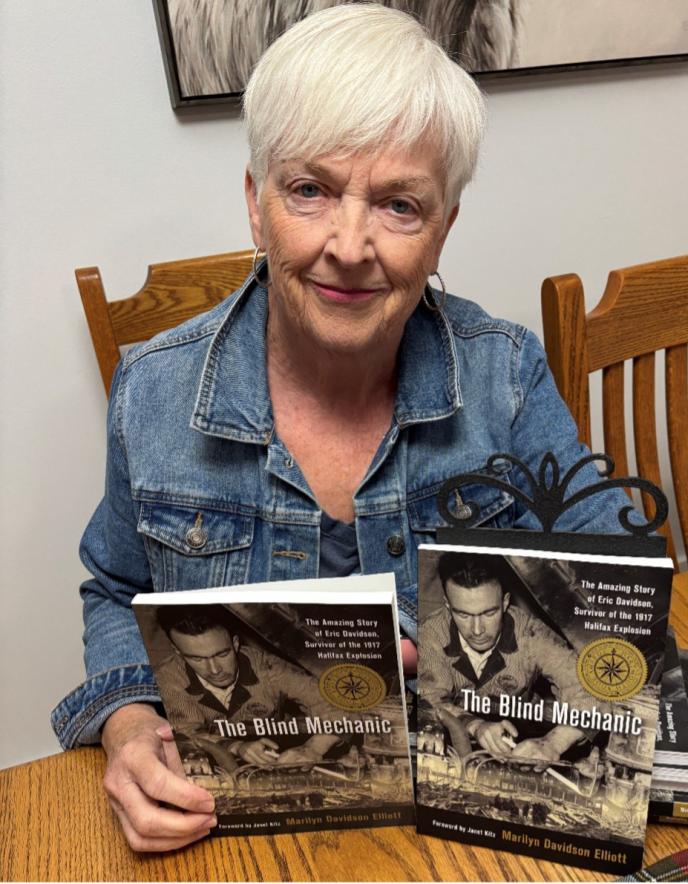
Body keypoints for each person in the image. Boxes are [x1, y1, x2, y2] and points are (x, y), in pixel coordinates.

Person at [52, 4, 642, 852]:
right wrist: (126, 725)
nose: (350, 243)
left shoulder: (504, 374)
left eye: (400, 205)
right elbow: (114, 588)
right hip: (238, 834)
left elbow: (611, 575)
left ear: (444, 230)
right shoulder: (152, 389)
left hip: (468, 823)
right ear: (257, 205)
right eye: (309, 190)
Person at [417, 552, 593, 763]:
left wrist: (553, 743)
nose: (477, 630)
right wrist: (475, 725)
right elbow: (429, 700)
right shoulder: (430, 633)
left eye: (489, 613)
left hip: (522, 741)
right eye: (463, 615)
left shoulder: (531, 633)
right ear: (448, 605)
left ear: (505, 602)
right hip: (453, 744)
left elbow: (589, 689)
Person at [154, 607, 340, 768]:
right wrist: (235, 746)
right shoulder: (167, 679)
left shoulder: (268, 667)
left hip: (282, 757)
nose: (214, 670)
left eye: (222, 654)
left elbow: (336, 703)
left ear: (235, 643)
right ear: (178, 652)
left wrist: (313, 748)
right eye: (197, 659)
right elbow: (186, 733)